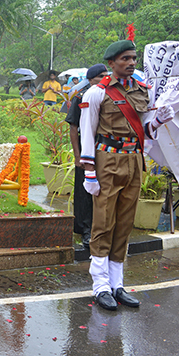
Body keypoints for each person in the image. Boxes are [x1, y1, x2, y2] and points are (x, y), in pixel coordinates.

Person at [79, 40, 173, 311]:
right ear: (112, 63)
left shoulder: (143, 91)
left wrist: (159, 120)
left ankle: (117, 284)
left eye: (133, 58)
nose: (131, 63)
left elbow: (145, 130)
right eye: (125, 59)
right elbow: (87, 130)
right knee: (104, 222)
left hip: (134, 161)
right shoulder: (97, 93)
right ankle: (100, 285)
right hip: (107, 160)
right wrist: (90, 171)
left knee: (124, 222)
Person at [65, 64, 107, 249]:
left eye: (106, 76)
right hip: (86, 147)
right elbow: (73, 128)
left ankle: (101, 227)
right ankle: (85, 229)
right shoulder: (80, 98)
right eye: (100, 76)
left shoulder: (109, 97)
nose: (104, 79)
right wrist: (77, 155)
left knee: (103, 188)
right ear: (90, 80)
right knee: (85, 191)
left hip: (105, 147)